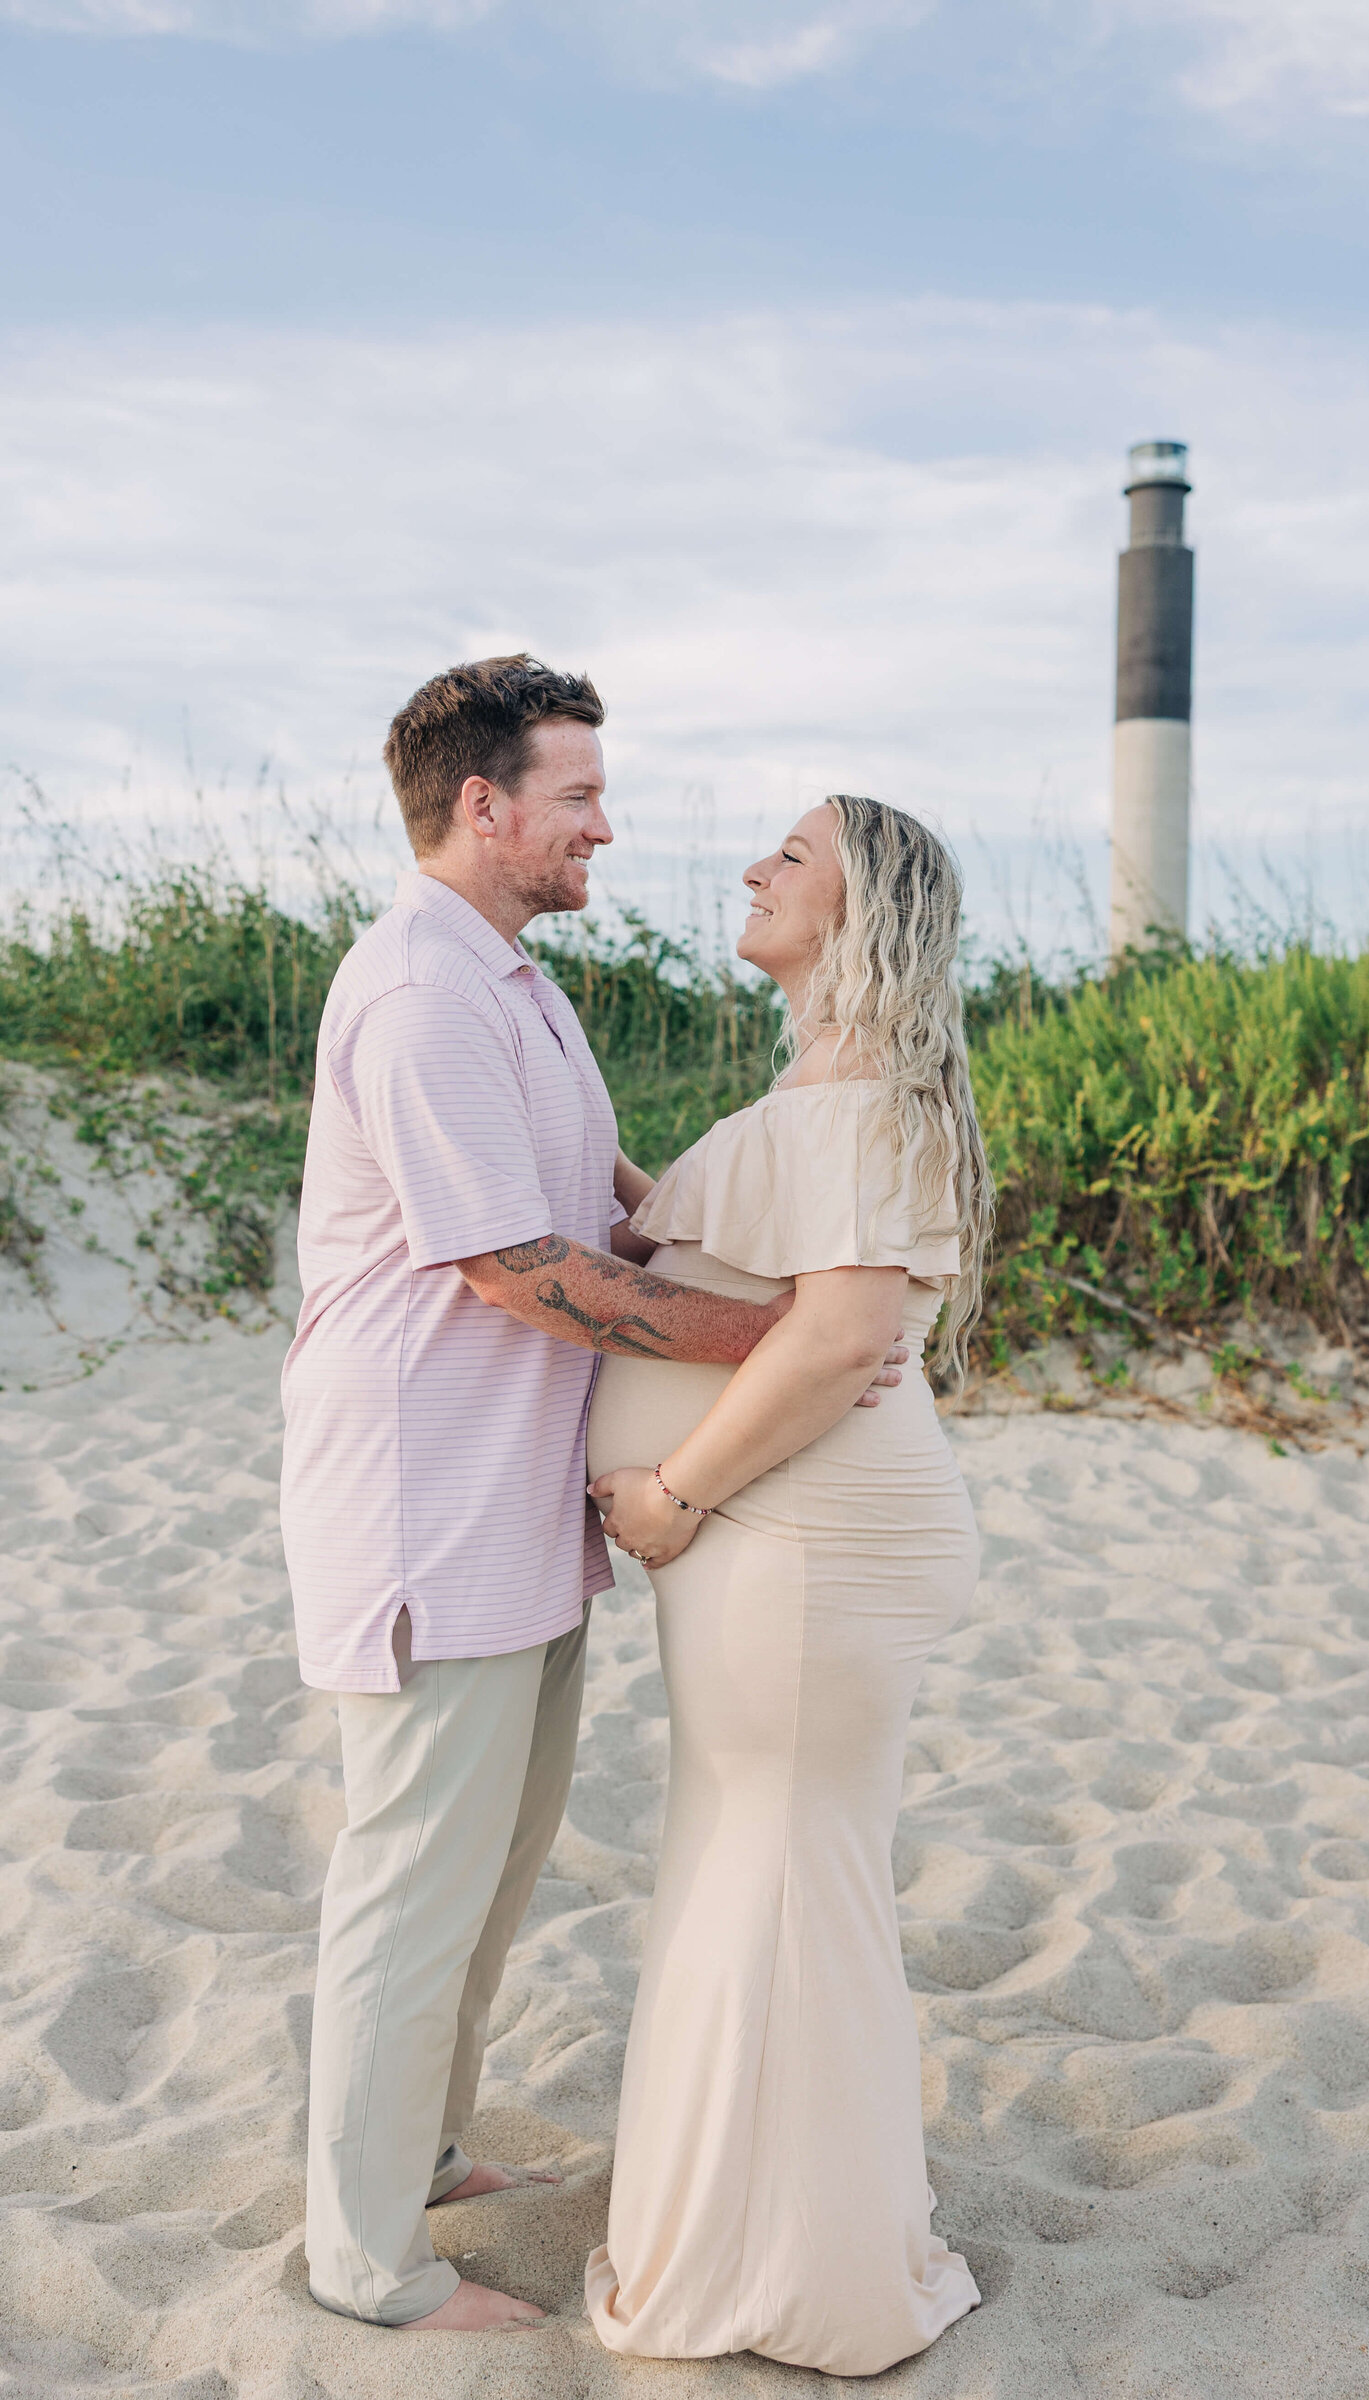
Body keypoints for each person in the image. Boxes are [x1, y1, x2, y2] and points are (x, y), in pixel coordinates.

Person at [280, 656, 908, 2334]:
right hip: (428, 1504)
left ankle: (415, 2157)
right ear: (481, 807)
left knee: (487, 1871)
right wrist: (784, 1332)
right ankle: (364, 2269)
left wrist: (761, 1281)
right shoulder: (419, 993)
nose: (605, 828)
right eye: (577, 797)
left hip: (519, 1515)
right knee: (413, 1880)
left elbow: (602, 1208)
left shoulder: (517, 986)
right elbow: (516, 1269)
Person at [584, 792, 991, 2376]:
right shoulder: (820, 1091)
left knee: (776, 1875)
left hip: (804, 1540)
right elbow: (706, 1245)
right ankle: (758, 2233)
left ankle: (794, 2278)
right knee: (754, 1864)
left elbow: (835, 1337)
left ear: (865, 911)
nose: (753, 868)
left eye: (792, 855)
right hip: (791, 1534)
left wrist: (675, 1496)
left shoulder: (866, 1096)